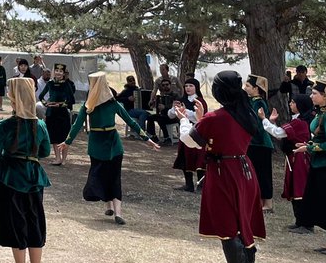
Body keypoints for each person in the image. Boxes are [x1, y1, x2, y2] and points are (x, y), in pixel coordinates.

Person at [176, 71, 267, 263]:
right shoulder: (247, 113)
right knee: (243, 226)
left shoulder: (217, 117)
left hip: (223, 172)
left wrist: (184, 120)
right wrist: (201, 119)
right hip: (244, 171)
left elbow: (190, 140)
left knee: (228, 227)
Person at [65, 71, 159, 225]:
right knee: (103, 175)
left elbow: (130, 121)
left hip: (113, 145)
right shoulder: (88, 106)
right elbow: (77, 125)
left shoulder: (112, 104)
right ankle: (109, 206)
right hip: (97, 145)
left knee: (114, 177)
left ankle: (118, 213)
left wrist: (146, 138)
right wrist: (67, 142)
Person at [0, 77, 52, 263]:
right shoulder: (40, 125)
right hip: (34, 177)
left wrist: (10, 156)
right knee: (35, 221)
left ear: (13, 97)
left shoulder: (6, 125)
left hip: (11, 177)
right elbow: (45, 152)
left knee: (16, 222)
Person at [260, 93, 316, 233]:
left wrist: (264, 120)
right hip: (295, 157)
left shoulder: (299, 122)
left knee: (300, 189)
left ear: (300, 105)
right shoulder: (298, 120)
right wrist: (272, 122)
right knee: (295, 188)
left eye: (293, 102)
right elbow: (282, 134)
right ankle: (300, 222)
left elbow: (278, 133)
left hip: (300, 158)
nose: (290, 104)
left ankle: (306, 224)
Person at [301, 77, 326, 255]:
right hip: (318, 164)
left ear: (325, 96)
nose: (311, 96)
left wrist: (309, 148)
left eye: (314, 93)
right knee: (325, 204)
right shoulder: (321, 114)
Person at [244, 74, 275, 211]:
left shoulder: (259, 102)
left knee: (263, 174)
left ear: (256, 88)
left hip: (261, 142)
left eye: (248, 86)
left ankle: (268, 203)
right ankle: (259, 201)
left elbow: (257, 123)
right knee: (255, 173)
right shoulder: (251, 100)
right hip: (253, 142)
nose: (245, 88)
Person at [171, 79, 208, 192]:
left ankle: (201, 185)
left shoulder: (200, 101)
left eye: (191, 85)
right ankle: (189, 184)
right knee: (185, 158)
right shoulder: (181, 100)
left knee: (200, 160)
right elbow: (171, 115)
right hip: (185, 131)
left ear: (196, 87)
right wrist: (174, 109)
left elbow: (200, 117)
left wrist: (184, 112)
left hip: (197, 133)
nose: (188, 88)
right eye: (186, 86)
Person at [39, 63, 76, 166]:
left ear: (63, 73)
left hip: (62, 113)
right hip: (51, 113)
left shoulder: (66, 84)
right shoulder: (50, 83)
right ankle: (57, 158)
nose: (58, 73)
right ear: (54, 72)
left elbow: (71, 100)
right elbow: (41, 96)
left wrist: (60, 105)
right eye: (57, 71)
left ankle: (64, 159)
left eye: (60, 71)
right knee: (54, 136)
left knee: (63, 136)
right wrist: (46, 104)